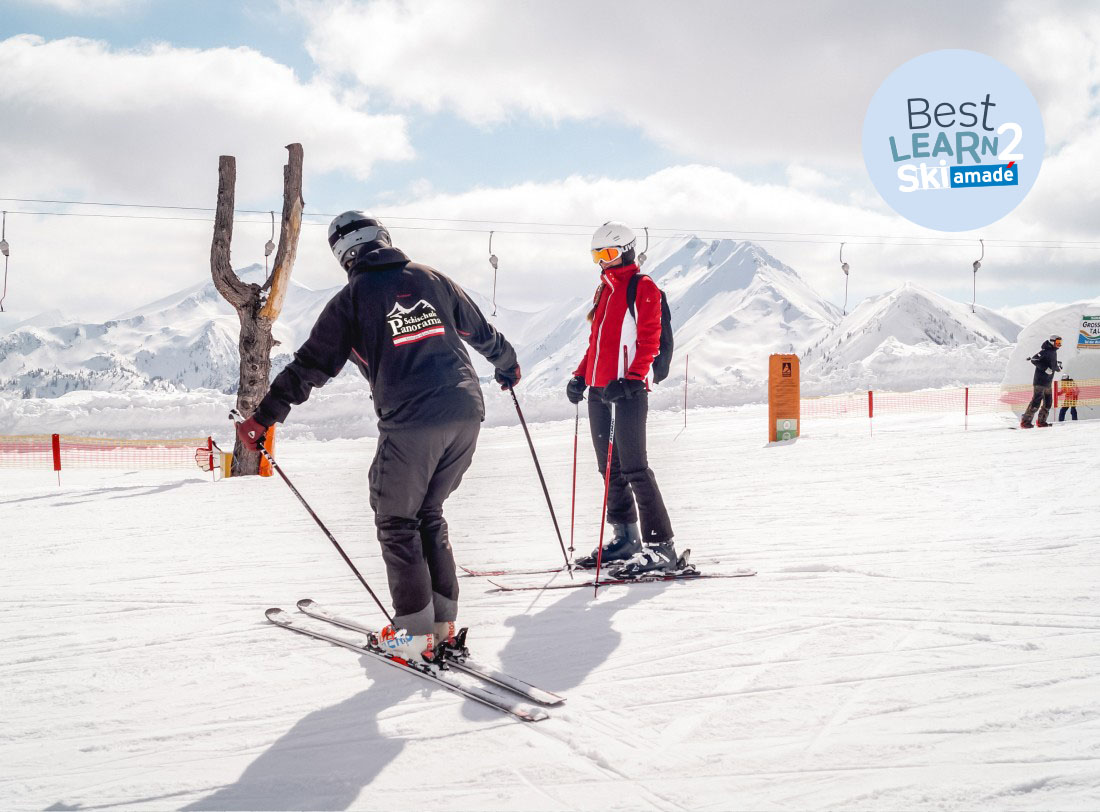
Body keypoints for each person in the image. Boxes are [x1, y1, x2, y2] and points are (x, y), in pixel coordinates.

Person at [236, 212, 520, 663]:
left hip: (412, 421)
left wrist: (264, 417)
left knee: (396, 519)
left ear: (343, 256)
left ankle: (412, 633)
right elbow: (480, 332)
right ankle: (441, 626)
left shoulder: (352, 299)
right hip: (466, 413)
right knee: (428, 512)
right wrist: (507, 365)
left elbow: (311, 366)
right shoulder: (433, 279)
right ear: (383, 238)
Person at [567, 221, 677, 577]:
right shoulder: (604, 291)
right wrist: (581, 376)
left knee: (635, 468)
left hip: (627, 392)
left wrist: (631, 380)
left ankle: (662, 547)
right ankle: (625, 538)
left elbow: (650, 339)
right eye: (597, 255)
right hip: (600, 392)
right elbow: (596, 343)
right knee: (609, 468)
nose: (603, 262)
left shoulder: (641, 287)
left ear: (627, 251)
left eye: (609, 254)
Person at [1020, 334, 1062, 428]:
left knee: (1048, 403)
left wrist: (1058, 368)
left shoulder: (1053, 352)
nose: (1059, 345)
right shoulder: (1045, 351)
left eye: (1060, 343)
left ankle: (1041, 421)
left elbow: (1053, 365)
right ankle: (1025, 422)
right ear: (1052, 342)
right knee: (1036, 402)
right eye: (1058, 342)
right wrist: (1045, 368)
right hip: (1040, 382)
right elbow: (1034, 359)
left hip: (1048, 382)